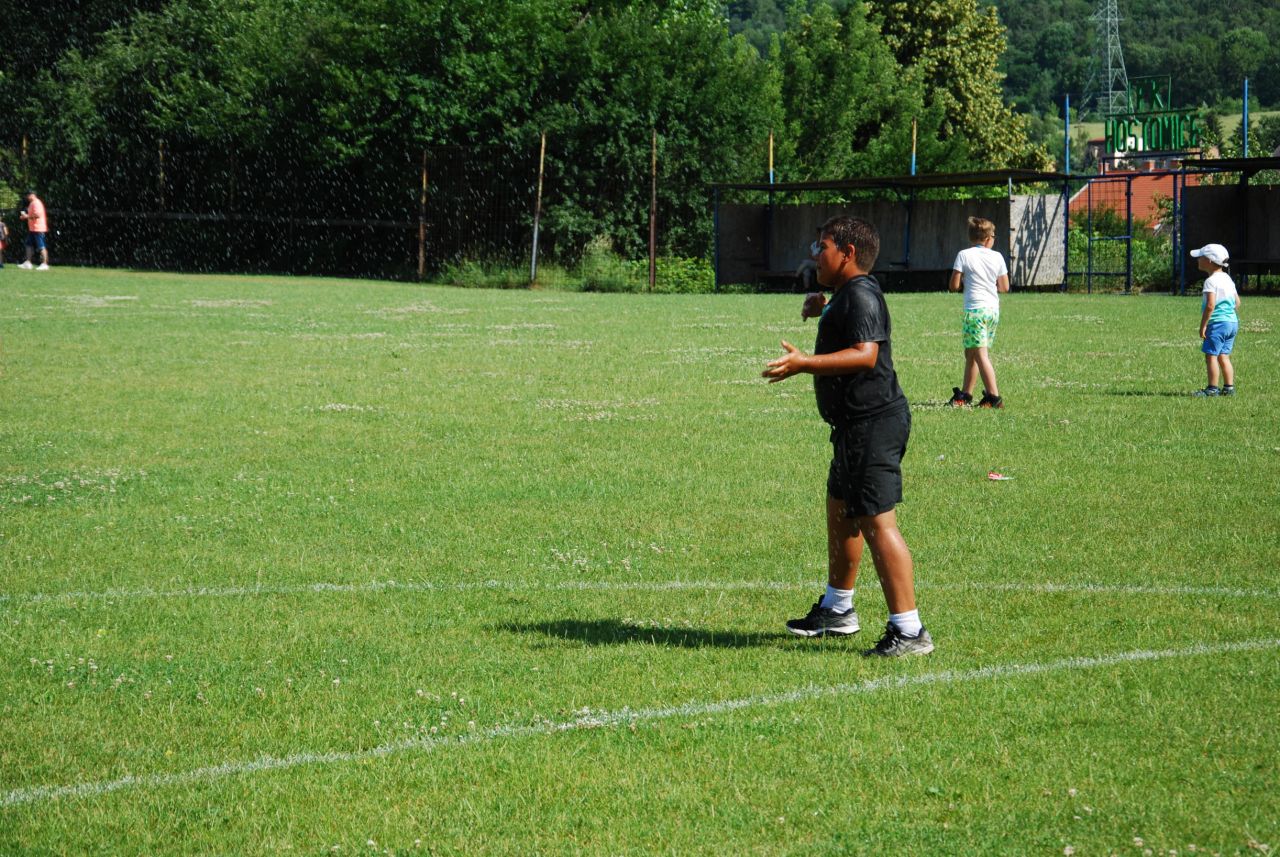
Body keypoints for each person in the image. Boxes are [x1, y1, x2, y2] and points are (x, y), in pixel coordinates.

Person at [762, 215, 933, 657]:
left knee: (877, 521)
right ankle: (838, 609)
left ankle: (909, 630)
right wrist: (826, 309)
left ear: (848, 253)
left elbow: (865, 354)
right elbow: (852, 326)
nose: (815, 255)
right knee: (841, 510)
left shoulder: (860, 294)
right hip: (853, 426)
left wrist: (804, 363)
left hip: (872, 424)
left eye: (822, 247)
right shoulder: (849, 294)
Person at [946, 216, 1009, 408]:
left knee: (980, 354)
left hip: (974, 311)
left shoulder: (964, 255)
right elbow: (1004, 287)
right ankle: (966, 395)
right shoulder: (997, 257)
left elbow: (953, 286)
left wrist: (964, 281)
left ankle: (994, 397)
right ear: (988, 238)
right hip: (992, 311)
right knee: (971, 353)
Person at [1190, 243, 1240, 397]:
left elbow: (1210, 305)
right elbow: (1237, 302)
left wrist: (1203, 326)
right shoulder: (1227, 279)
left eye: (1200, 257)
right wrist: (1228, 315)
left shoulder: (1210, 281)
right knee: (1224, 355)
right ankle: (1229, 388)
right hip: (1232, 323)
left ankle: (1212, 389)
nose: (1198, 259)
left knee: (1211, 355)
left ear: (1209, 261)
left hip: (1217, 324)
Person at [18, 190, 50, 270]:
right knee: (28, 245)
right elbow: (33, 215)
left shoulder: (36, 203)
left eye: (28, 195)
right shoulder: (32, 203)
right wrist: (25, 216)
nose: (27, 197)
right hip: (33, 229)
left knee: (41, 246)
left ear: (32, 195)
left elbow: (37, 215)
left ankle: (45, 264)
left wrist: (27, 216)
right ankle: (28, 263)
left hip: (38, 228)